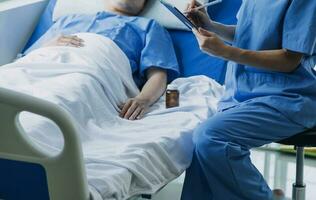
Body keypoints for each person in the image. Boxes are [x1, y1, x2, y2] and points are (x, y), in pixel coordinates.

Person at [181, 0, 316, 200]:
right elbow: (248, 35)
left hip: (287, 95)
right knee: (199, 149)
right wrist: (210, 25)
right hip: (243, 91)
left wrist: (225, 52)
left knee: (211, 137)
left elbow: (289, 59)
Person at [25, 0, 179, 120]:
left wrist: (143, 99)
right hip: (45, 66)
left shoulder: (149, 27)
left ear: (144, 4)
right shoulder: (68, 19)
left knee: (63, 98)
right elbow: (25, 60)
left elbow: (158, 75)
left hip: (91, 74)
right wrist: (48, 46)